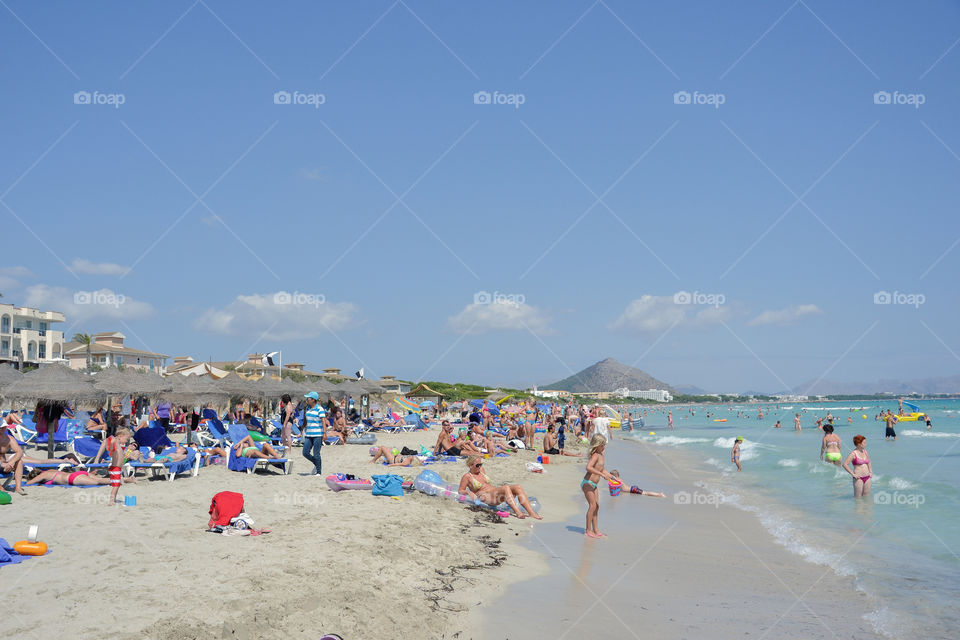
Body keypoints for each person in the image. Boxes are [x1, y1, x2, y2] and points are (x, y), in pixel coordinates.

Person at [458, 455, 541, 520]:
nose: (479, 466)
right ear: (470, 465)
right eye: (477, 465)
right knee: (505, 487)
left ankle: (531, 513)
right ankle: (518, 512)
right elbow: (460, 490)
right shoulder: (467, 477)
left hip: (494, 492)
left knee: (517, 487)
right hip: (487, 497)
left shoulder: (481, 470)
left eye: (481, 464)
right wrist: (469, 492)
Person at [582, 434, 615, 538]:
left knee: (597, 506)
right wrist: (601, 475)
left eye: (604, 445)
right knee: (592, 506)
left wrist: (611, 477)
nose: (604, 447)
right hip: (587, 483)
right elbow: (588, 467)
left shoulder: (601, 455)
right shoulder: (595, 455)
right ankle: (588, 530)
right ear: (596, 445)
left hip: (594, 485)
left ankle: (596, 530)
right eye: (602, 445)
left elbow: (601, 469)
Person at [93, 427, 133, 506]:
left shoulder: (119, 445)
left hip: (117, 468)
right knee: (116, 486)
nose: (127, 441)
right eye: (126, 439)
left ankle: (113, 499)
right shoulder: (115, 443)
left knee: (117, 485)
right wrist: (112, 442)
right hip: (115, 469)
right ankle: (111, 501)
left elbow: (120, 457)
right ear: (120, 436)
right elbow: (111, 448)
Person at [301, 392, 326, 475]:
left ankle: (319, 471)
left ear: (313, 400)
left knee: (316, 453)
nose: (307, 400)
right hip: (309, 434)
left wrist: (325, 433)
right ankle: (316, 463)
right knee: (305, 452)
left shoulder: (320, 409)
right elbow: (306, 421)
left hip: (318, 434)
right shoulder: (308, 409)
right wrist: (301, 429)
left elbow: (323, 421)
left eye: (308, 398)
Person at [26, 468, 136, 487]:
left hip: (73, 479)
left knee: (99, 482)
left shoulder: (43, 475)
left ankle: (123, 480)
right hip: (77, 474)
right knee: (99, 480)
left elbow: (30, 483)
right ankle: (127, 479)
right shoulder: (48, 471)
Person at [0, 428, 26, 494]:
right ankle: (0, 488)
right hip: (1, 464)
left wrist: (11, 463)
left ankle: (18, 488)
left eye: (3, 427)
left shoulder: (9, 439)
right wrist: (1, 464)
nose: (2, 429)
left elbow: (19, 452)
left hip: (5, 464)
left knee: (19, 461)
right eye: (1, 427)